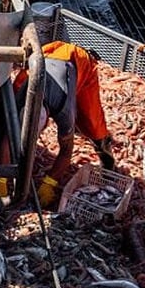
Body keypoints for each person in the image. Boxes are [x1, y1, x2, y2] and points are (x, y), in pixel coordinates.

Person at [35, 41, 115, 206]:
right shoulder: (21, 91)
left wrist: (50, 182)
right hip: (50, 55)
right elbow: (8, 136)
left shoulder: (62, 108)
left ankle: (106, 154)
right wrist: (0, 180)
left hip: (80, 62)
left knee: (92, 120)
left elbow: (67, 150)